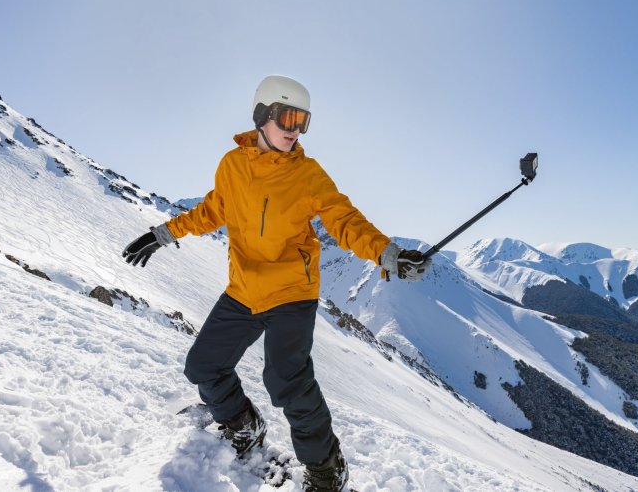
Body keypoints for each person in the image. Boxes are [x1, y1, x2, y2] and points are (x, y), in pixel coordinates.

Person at [122, 75, 430, 491]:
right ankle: (243, 425)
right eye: (288, 117)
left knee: (287, 381)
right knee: (203, 366)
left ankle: (327, 471)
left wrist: (388, 254)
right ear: (262, 115)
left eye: (303, 121)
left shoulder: (307, 174)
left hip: (291, 293)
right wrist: (162, 234)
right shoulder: (232, 165)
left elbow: (344, 220)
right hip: (244, 290)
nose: (295, 130)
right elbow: (212, 210)